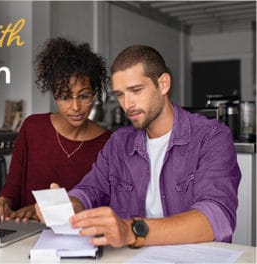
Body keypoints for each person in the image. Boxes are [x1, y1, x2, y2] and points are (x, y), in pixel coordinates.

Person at [38, 45, 241, 248]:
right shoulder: (119, 143)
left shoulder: (211, 137)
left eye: (136, 90)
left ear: (163, 84)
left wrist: (132, 231)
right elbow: (90, 189)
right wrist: (69, 205)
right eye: (120, 94)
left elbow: (217, 218)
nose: (127, 104)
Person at [0, 37, 112, 222]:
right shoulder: (33, 128)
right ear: (54, 96)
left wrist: (41, 210)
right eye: (65, 96)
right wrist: (4, 203)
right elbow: (12, 187)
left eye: (84, 95)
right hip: (24, 233)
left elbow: (101, 203)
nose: (75, 107)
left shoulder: (108, 143)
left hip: (75, 238)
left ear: (94, 93)